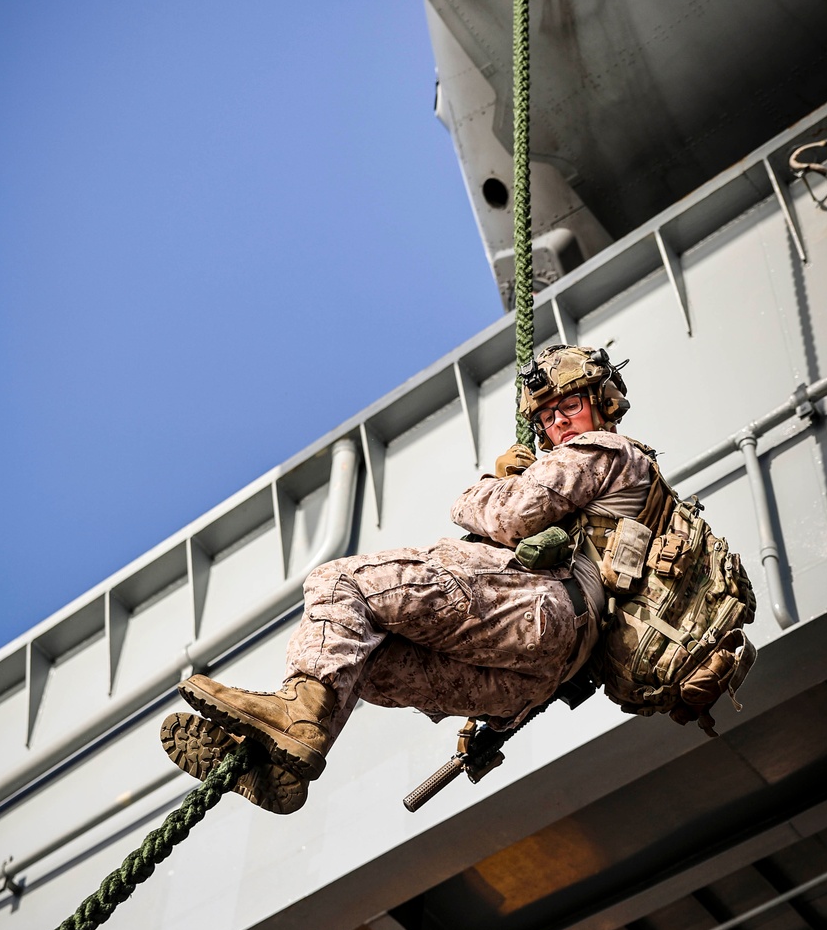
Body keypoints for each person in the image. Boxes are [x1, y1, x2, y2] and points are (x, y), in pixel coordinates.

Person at [161, 345, 655, 814]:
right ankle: (281, 763)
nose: (559, 423)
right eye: (547, 416)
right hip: (533, 681)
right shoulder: (614, 477)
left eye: (569, 405)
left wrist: (491, 487)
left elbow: (512, 516)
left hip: (545, 611)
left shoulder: (603, 449)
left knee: (341, 583)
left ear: (603, 403)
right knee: (366, 657)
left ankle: (296, 715)